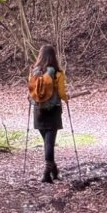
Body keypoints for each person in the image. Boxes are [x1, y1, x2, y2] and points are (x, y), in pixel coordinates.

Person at [30, 43, 69, 183]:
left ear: (40, 56)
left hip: (38, 110)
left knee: (47, 141)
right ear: (54, 57)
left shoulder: (35, 72)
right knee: (49, 142)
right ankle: (47, 172)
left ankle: (54, 169)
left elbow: (31, 91)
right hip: (53, 110)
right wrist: (66, 98)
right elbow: (62, 93)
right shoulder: (58, 74)